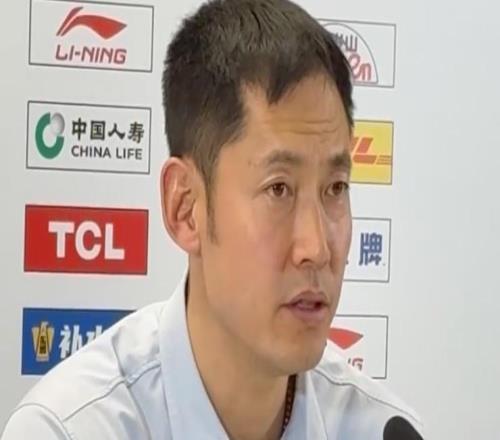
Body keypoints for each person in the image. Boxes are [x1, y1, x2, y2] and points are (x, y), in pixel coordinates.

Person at [2, 0, 424, 439]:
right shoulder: (70, 430)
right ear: (185, 208)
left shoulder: (378, 428)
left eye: (335, 188)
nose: (316, 248)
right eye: (278, 189)